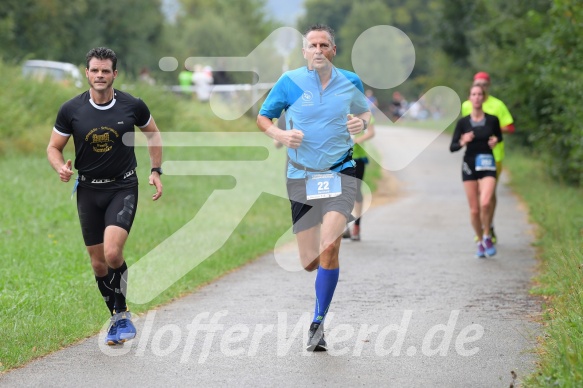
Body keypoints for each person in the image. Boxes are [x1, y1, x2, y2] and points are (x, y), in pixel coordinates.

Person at [256, 24, 371, 352]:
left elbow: (365, 113)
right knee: (309, 260)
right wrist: (280, 135)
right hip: (301, 175)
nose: (318, 50)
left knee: (330, 246)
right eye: (312, 45)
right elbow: (263, 118)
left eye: (324, 45)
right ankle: (321, 281)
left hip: (340, 173)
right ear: (304, 51)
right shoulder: (288, 82)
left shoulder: (350, 81)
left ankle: (318, 323)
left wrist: (361, 123)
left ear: (333, 50)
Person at [46, 47, 163, 346]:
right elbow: (53, 147)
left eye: (105, 71)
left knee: (112, 253)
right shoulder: (71, 109)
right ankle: (115, 316)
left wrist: (155, 170)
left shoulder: (132, 105)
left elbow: (153, 133)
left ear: (115, 74)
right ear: (86, 73)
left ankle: (122, 313)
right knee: (98, 264)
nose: (100, 75)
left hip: (122, 187)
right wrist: (60, 167)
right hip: (87, 190)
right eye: (95, 70)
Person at [461, 72, 514, 243]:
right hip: (472, 156)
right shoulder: (467, 105)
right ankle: (482, 229)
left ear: (488, 86)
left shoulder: (497, 105)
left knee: (488, 195)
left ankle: (489, 226)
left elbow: (510, 127)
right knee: (475, 194)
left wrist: (493, 132)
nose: (481, 87)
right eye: (478, 84)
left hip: (493, 156)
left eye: (484, 84)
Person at [451, 85, 502, 258]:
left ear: (484, 98)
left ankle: (487, 234)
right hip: (469, 165)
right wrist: (463, 141)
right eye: (474, 94)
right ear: (469, 98)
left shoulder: (493, 120)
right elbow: (453, 147)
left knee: (486, 202)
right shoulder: (463, 122)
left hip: (487, 163)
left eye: (480, 94)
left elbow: (498, 136)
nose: (477, 97)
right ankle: (480, 241)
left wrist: (495, 141)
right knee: (474, 210)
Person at [343, 115, 376, 241]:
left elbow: (371, 132)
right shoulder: (338, 107)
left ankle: (356, 225)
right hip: (341, 157)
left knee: (356, 191)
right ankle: (344, 226)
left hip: (358, 157)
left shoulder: (363, 111)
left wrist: (358, 140)